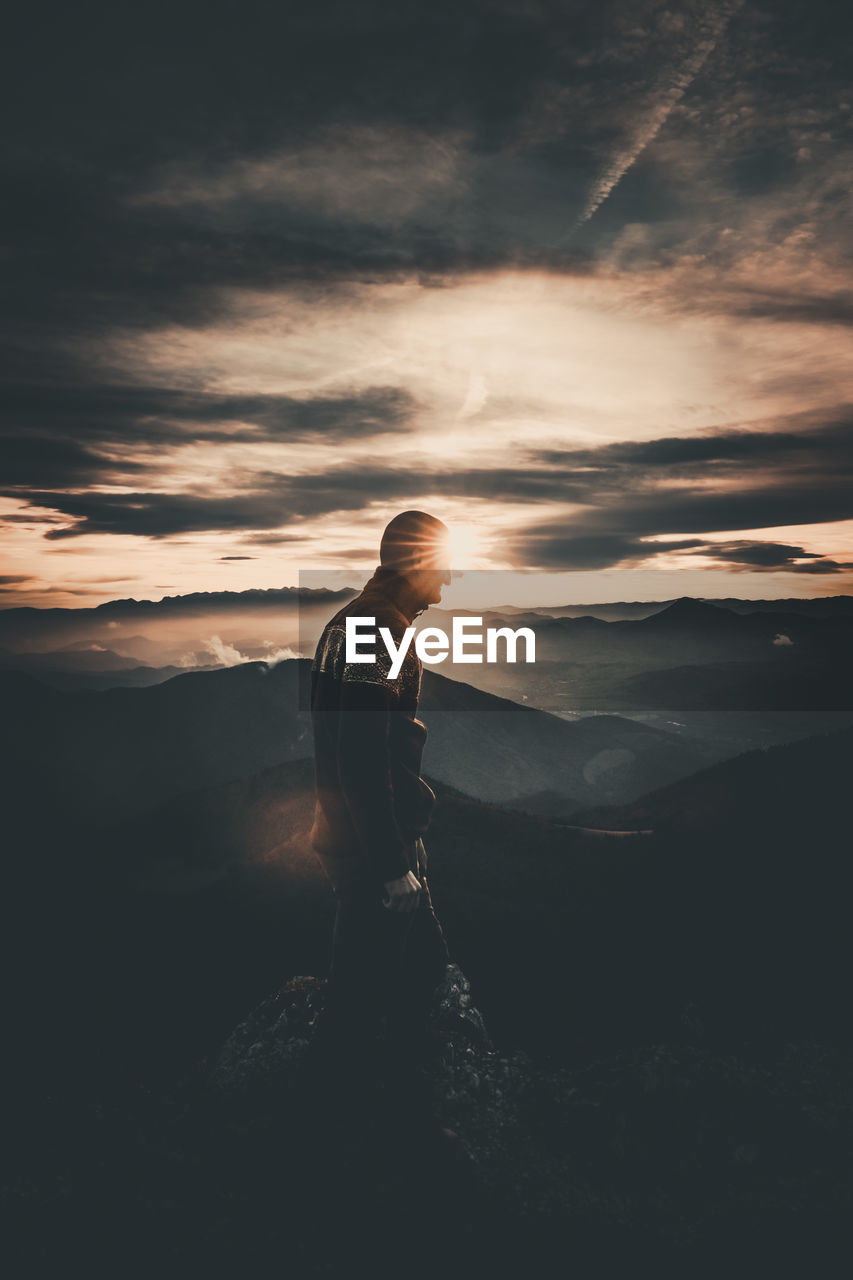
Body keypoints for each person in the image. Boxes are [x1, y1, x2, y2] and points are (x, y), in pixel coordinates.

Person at [305, 510, 453, 1142]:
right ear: (415, 565)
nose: (450, 580)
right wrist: (392, 866)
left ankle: (372, 1122)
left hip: (362, 836)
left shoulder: (356, 621)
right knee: (380, 996)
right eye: (442, 565)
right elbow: (361, 760)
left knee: (410, 977)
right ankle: (370, 1136)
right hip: (370, 849)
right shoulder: (375, 628)